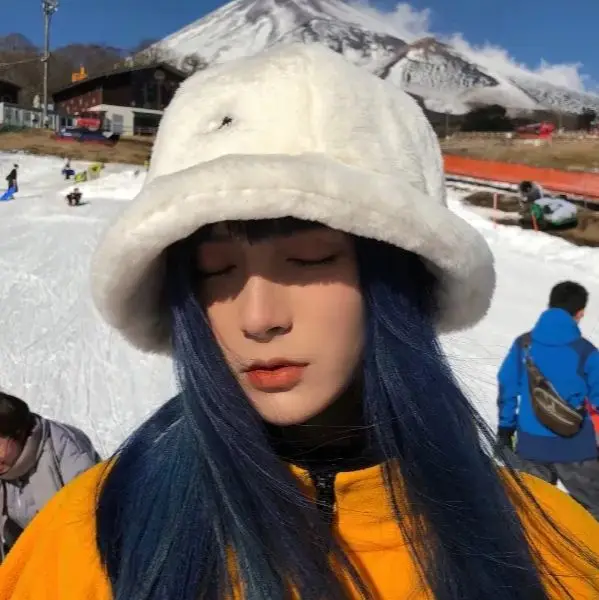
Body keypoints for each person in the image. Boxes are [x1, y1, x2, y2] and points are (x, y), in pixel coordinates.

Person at [1, 43, 599, 600]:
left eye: (309, 259)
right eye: (214, 271)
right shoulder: (93, 534)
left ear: (397, 276)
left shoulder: (552, 547)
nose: (258, 318)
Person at [498, 281, 599, 520]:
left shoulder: (524, 345)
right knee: (593, 512)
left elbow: (507, 386)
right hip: (577, 449)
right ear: (580, 313)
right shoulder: (586, 352)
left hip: (530, 445)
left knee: (530, 513)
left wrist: (505, 428)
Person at [0, 392, 101, 560]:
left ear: (17, 433)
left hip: (76, 554)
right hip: (29, 558)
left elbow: (90, 520)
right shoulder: (6, 463)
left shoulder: (65, 448)